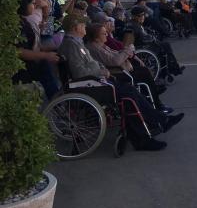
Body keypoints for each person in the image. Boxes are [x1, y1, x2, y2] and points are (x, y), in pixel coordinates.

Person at [59, 15, 182, 151]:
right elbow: (79, 72)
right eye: (82, 25)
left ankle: (153, 126)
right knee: (129, 96)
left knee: (129, 94)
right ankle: (153, 128)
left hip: (94, 81)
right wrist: (101, 71)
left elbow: (91, 64)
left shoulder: (75, 43)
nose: (85, 28)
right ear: (75, 28)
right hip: (89, 85)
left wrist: (101, 68)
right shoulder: (72, 45)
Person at [85, 22, 171, 113]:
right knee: (144, 73)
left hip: (121, 70)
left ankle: (155, 101)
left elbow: (115, 54)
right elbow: (114, 61)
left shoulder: (101, 45)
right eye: (103, 33)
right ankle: (156, 103)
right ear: (96, 37)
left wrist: (126, 52)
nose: (106, 35)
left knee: (144, 72)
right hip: (116, 73)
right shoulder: (95, 48)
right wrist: (127, 51)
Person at [14, 0, 61, 99]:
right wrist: (45, 55)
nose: (34, 6)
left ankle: (58, 100)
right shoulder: (19, 23)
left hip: (35, 57)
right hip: (24, 69)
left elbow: (37, 41)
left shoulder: (25, 20)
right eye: (32, 3)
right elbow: (19, 51)